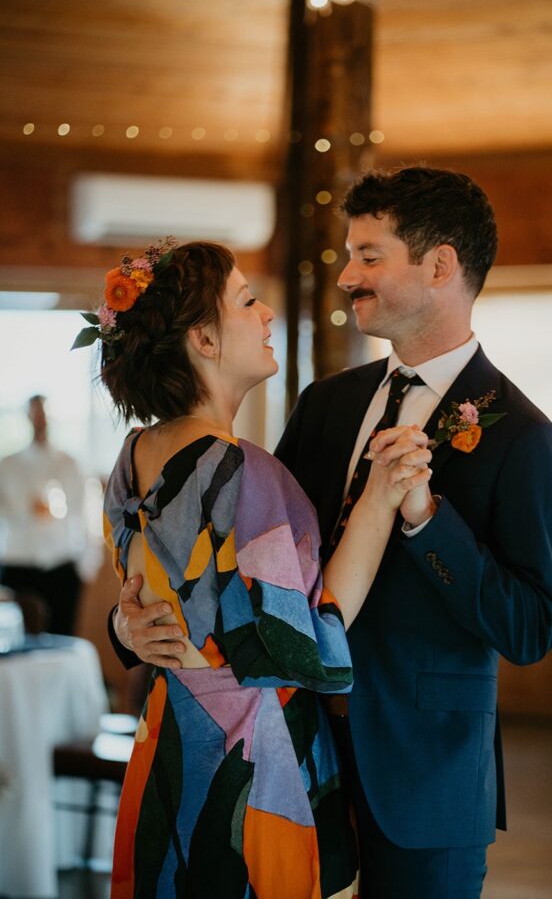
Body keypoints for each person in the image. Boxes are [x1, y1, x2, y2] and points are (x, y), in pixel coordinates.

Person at [111, 168, 552, 899]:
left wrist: (423, 519)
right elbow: (241, 566)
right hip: (285, 758)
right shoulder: (326, 404)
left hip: (421, 782)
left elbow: (530, 628)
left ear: (439, 266)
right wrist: (127, 623)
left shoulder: (524, 438)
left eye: (367, 255)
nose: (345, 277)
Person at [89, 238, 432, 899]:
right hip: (246, 758)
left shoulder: (130, 458)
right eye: (247, 301)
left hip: (166, 739)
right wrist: (383, 496)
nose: (268, 312)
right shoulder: (241, 470)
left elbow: (153, 606)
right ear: (204, 342)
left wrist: (125, 630)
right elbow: (308, 640)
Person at [0, 394, 98, 635]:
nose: (41, 420)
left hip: (61, 565)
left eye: (44, 414)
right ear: (28, 417)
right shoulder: (8, 466)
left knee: (61, 636)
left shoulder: (70, 464)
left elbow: (88, 515)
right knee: (16, 639)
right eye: (36, 414)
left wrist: (87, 566)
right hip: (18, 565)